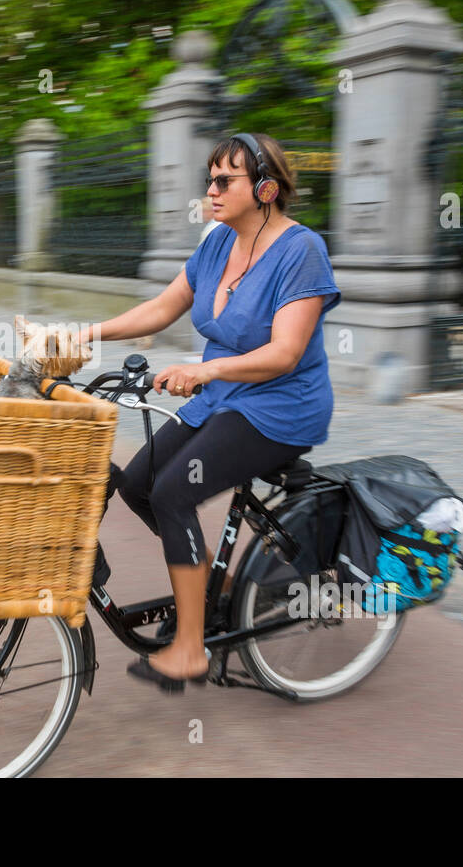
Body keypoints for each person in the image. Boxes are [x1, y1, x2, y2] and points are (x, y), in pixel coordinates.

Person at [81, 132, 341, 689]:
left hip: (280, 405)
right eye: (210, 178)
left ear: (265, 188)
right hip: (224, 397)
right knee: (137, 485)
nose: (212, 190)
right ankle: (208, 585)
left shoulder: (301, 251)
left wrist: (204, 370)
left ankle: (191, 648)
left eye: (225, 180)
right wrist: (84, 333)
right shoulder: (218, 243)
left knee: (174, 492)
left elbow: (285, 352)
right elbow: (161, 307)